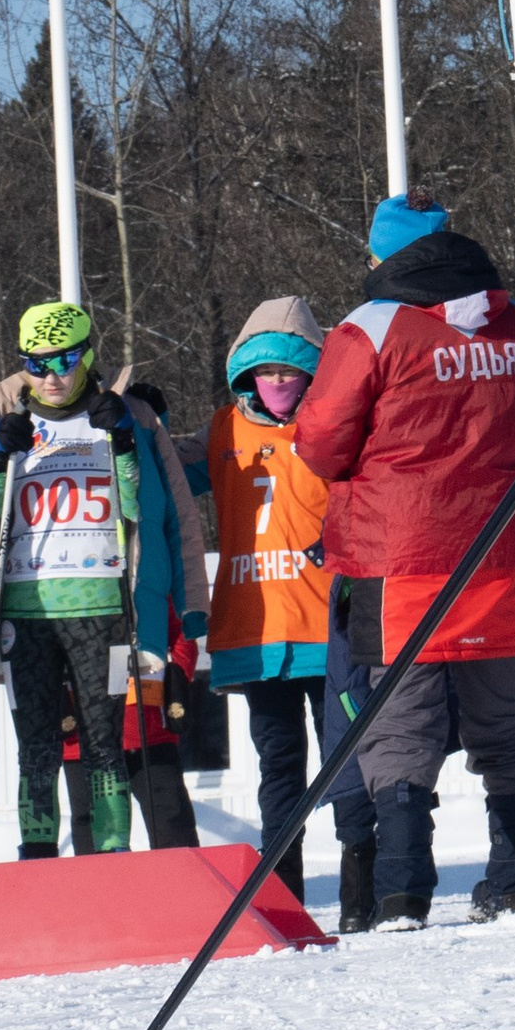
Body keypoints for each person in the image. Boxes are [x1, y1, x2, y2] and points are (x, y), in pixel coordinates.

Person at [293, 198, 515, 926]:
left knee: (400, 719)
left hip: (396, 555)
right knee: (501, 710)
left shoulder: (370, 327)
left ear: (387, 256)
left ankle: (402, 889)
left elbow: (318, 441)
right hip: (501, 551)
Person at [0, 299, 196, 860]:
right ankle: (36, 857)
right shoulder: (6, 421)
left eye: (64, 359)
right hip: (26, 614)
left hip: (101, 608)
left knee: (104, 741)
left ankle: (110, 855)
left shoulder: (115, 417)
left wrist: (124, 444)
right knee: (36, 745)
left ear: (88, 354)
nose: (51, 376)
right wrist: (0, 460)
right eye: (36, 363)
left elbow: (138, 510)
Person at [198, 297, 377, 932]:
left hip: (326, 630)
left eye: (290, 372)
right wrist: (132, 423)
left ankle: (366, 896)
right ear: (246, 375)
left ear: (311, 374)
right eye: (265, 372)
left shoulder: (334, 426)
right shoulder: (223, 429)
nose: (277, 383)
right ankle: (286, 903)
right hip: (256, 633)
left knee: (350, 764)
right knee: (279, 772)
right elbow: (160, 476)